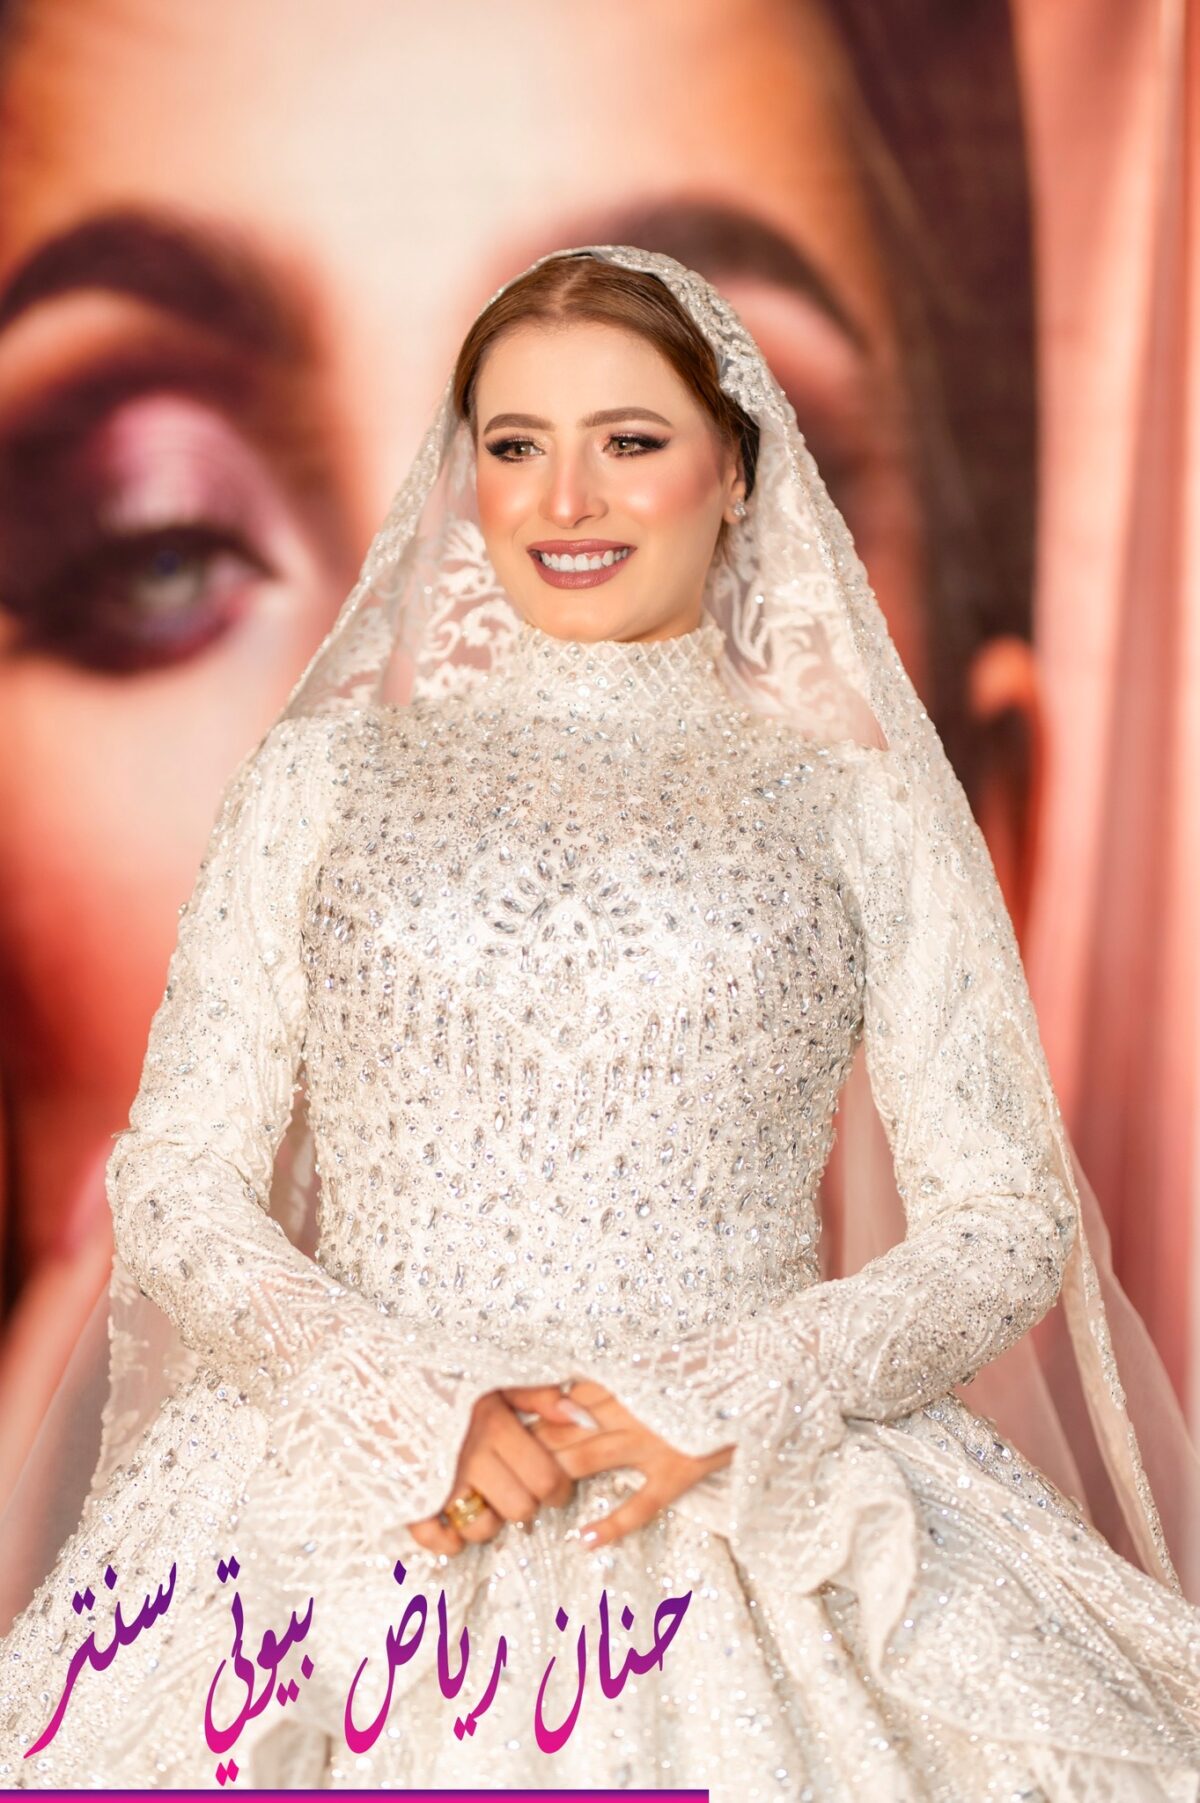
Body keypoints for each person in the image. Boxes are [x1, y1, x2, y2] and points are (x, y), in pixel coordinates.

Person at [1, 246, 1198, 1796]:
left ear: (737, 470)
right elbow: (176, 1176)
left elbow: (1005, 1214)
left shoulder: (853, 810)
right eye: (517, 444)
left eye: (629, 440)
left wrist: (742, 1391)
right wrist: (390, 1396)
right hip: (362, 1494)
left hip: (754, 1486)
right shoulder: (322, 782)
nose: (566, 499)